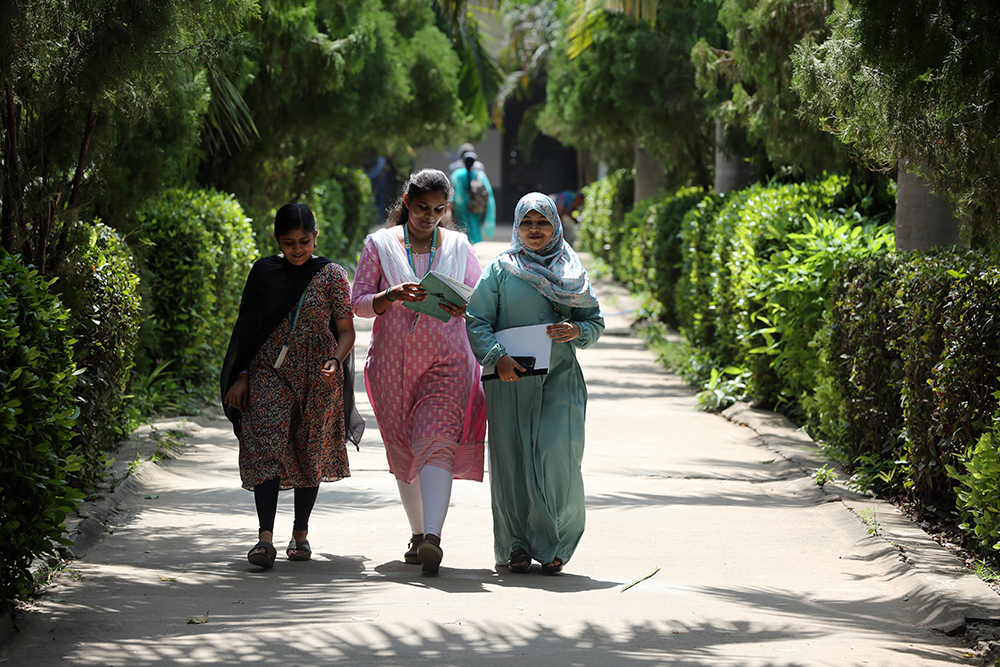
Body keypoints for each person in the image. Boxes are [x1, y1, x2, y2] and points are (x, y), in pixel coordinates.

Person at [352, 168, 487, 574]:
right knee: (404, 448)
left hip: (448, 361)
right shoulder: (379, 244)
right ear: (407, 202)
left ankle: (433, 537)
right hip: (392, 366)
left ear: (446, 209)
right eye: (423, 208)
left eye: (438, 210)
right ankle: (417, 534)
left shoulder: (460, 247)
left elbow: (481, 302)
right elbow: (358, 303)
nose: (429, 217)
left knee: (437, 441)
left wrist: (463, 306)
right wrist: (390, 295)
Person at [466, 192, 605, 575]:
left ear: (555, 225)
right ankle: (517, 545)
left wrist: (576, 330)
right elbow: (477, 319)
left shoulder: (571, 270)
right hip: (510, 379)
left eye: (542, 222)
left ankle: (557, 542)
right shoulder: (501, 269)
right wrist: (496, 357)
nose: (534, 229)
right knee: (513, 463)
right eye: (526, 222)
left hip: (560, 377)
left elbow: (594, 322)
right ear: (516, 226)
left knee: (557, 455)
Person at [221, 203, 364, 569]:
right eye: (289, 243)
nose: (297, 249)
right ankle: (264, 539)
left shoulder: (331, 275)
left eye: (304, 241)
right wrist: (242, 376)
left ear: (315, 237)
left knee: (308, 450)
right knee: (267, 446)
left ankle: (300, 533)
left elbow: (346, 331)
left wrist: (336, 360)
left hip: (319, 377)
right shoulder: (265, 272)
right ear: (277, 240)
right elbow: (249, 330)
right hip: (268, 372)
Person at [450, 152, 496, 244]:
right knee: (474, 225)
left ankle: (466, 245)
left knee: (463, 226)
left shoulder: (458, 174)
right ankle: (472, 245)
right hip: (475, 205)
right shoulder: (479, 174)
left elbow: (454, 192)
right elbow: (488, 193)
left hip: (462, 207)